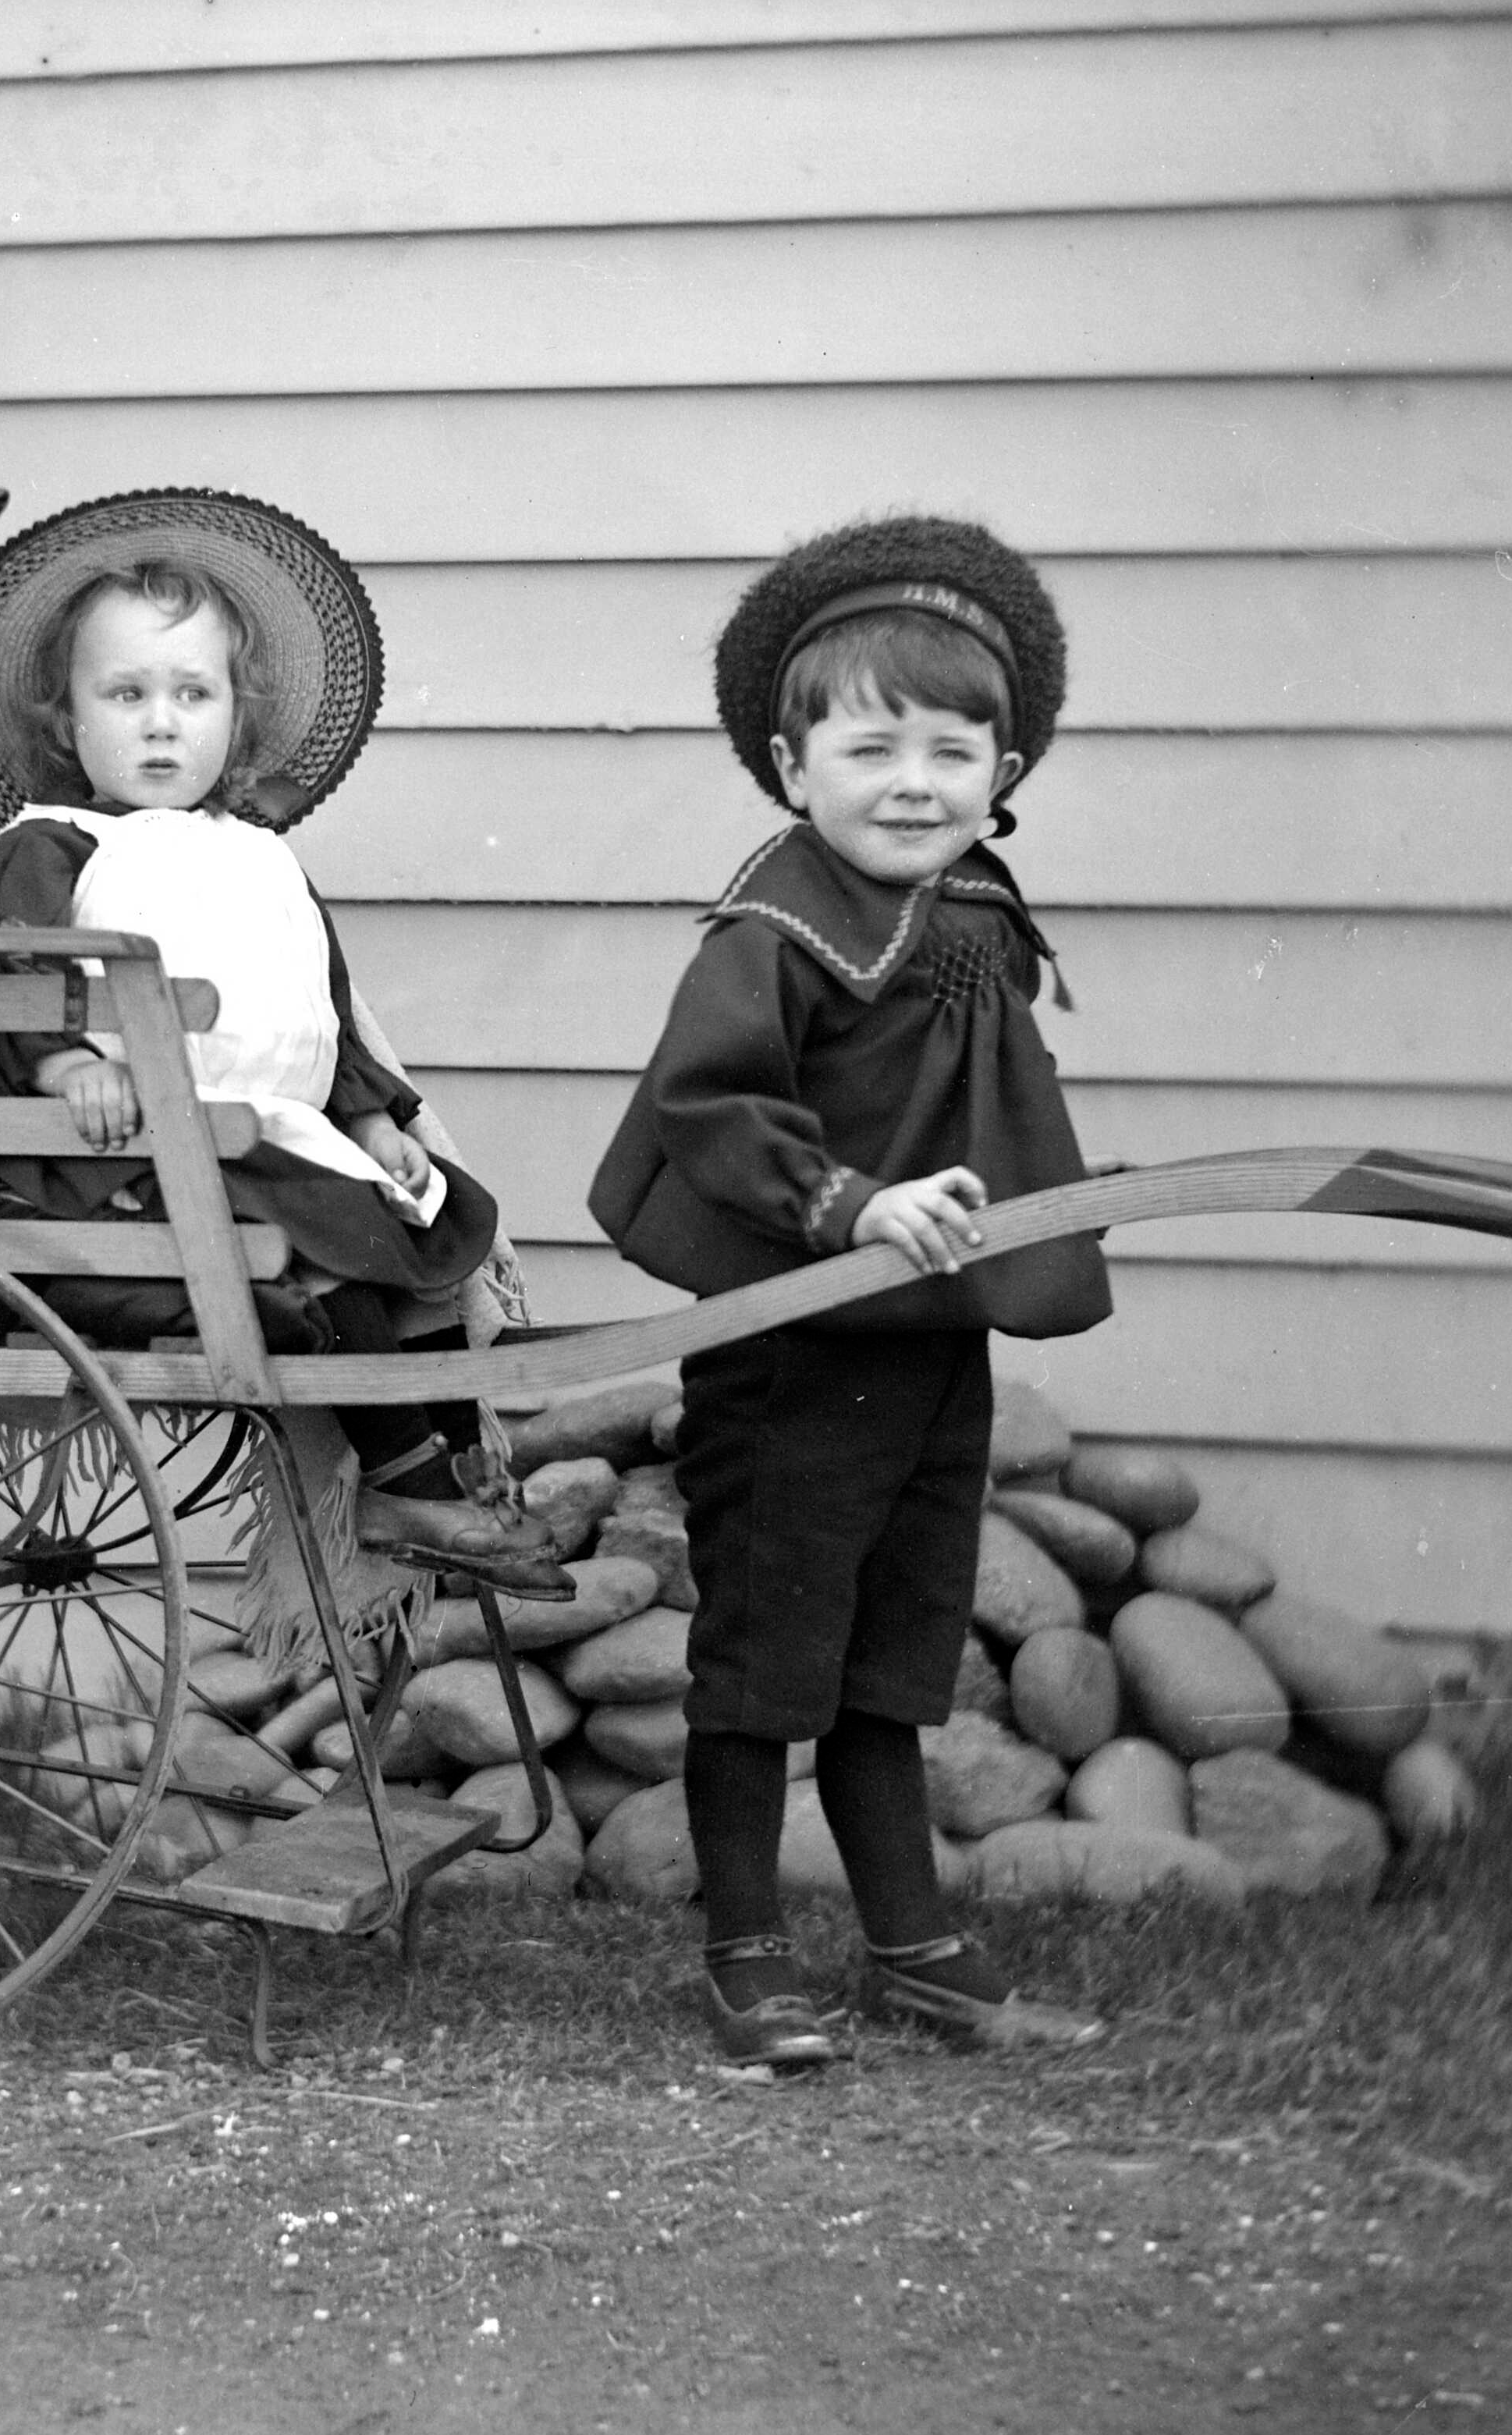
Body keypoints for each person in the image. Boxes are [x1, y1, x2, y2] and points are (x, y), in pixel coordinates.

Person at [588, 514, 1115, 2067]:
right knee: (761, 1668)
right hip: (790, 1348)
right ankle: (745, 1952)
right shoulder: (776, 931)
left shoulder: (968, 919)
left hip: (928, 1349)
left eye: (954, 754)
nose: (913, 784)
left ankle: (917, 1951)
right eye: (872, 747)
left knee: (896, 1661)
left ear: (1001, 773)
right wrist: (849, 1201)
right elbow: (710, 1107)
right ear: (788, 758)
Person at [0, 490, 564, 1593]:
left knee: (422, 1215)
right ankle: (407, 1480)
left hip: (265, 1131)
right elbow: (2, 977)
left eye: (191, 694)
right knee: (323, 1250)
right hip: (119, 1152)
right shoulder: (49, 847)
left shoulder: (254, 855)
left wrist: (368, 1114)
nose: (161, 722)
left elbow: (316, 1000)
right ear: (65, 723)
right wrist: (66, 1061)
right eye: (125, 694)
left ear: (234, 718)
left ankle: (448, 1457)